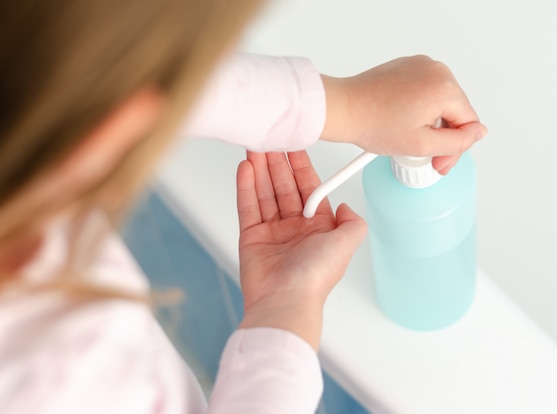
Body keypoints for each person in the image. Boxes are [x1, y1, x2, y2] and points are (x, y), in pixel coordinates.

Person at [0, 1, 486, 413]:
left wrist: (340, 106)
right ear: (121, 124)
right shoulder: (66, 372)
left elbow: (113, 72)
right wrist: (284, 317)